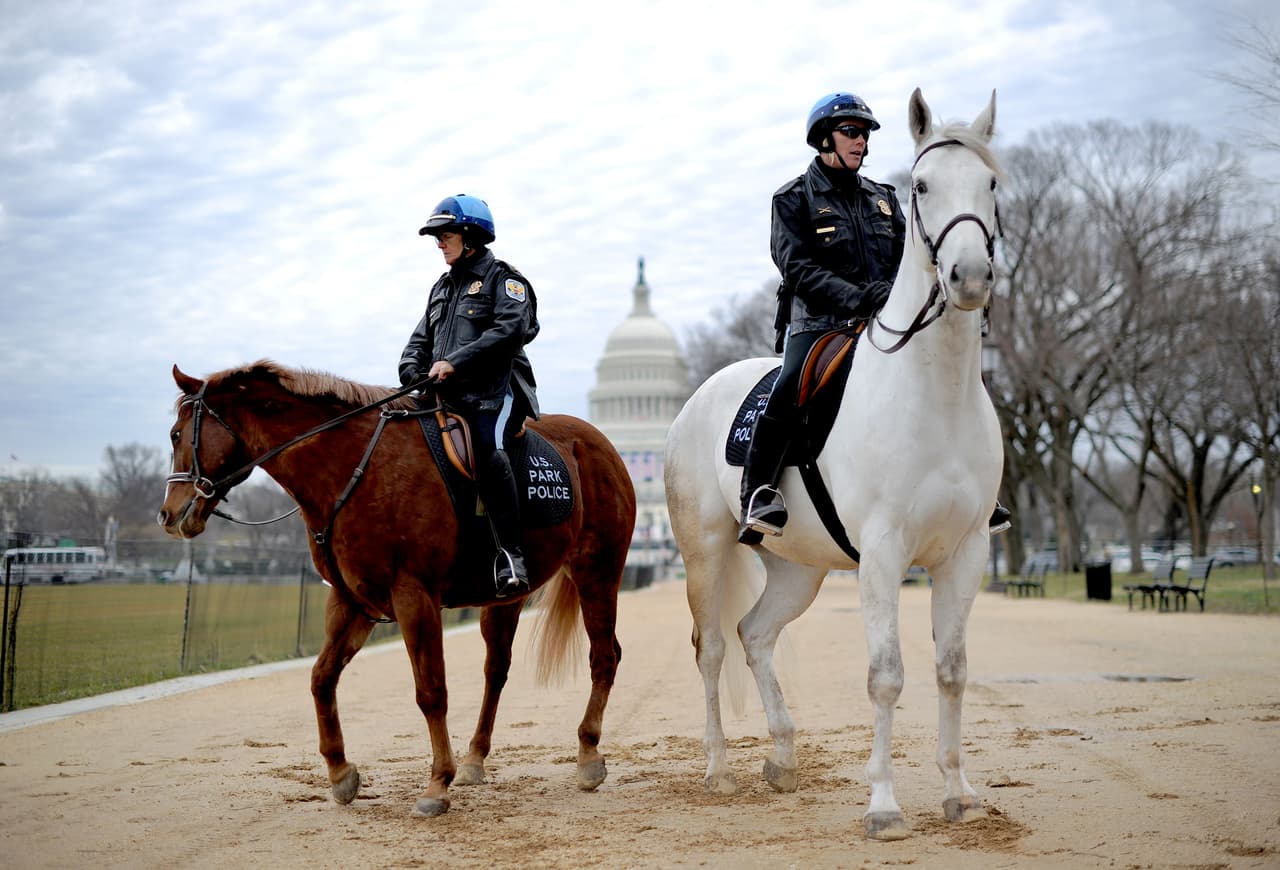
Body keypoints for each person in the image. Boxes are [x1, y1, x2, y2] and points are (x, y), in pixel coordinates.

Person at [738, 93, 1011, 545]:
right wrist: (860, 297)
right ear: (823, 139)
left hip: (887, 321)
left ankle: (980, 491)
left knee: (955, 380)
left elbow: (912, 257)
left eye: (864, 134)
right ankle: (759, 491)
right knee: (790, 386)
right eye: (850, 132)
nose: (860, 141)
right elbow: (798, 270)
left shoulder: (883, 198)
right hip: (820, 325)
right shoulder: (792, 199)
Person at [399, 194, 541, 597]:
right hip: (447, 396)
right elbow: (417, 345)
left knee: (484, 446)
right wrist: (414, 374)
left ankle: (511, 554)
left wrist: (455, 363)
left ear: (470, 236)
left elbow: (511, 329)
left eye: (445, 235)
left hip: (497, 394)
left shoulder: (505, 279)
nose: (439, 244)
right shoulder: (441, 289)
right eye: (437, 237)